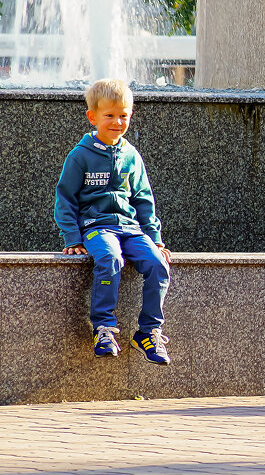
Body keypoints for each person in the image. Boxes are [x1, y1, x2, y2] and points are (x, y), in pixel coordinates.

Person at [55, 79, 172, 365]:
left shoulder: (132, 156)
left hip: (130, 229)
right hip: (96, 228)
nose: (118, 121)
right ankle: (104, 328)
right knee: (110, 258)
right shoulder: (80, 156)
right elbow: (65, 198)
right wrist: (73, 237)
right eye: (110, 115)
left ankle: (148, 332)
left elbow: (144, 200)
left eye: (124, 115)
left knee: (159, 264)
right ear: (93, 117)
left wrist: (154, 237)